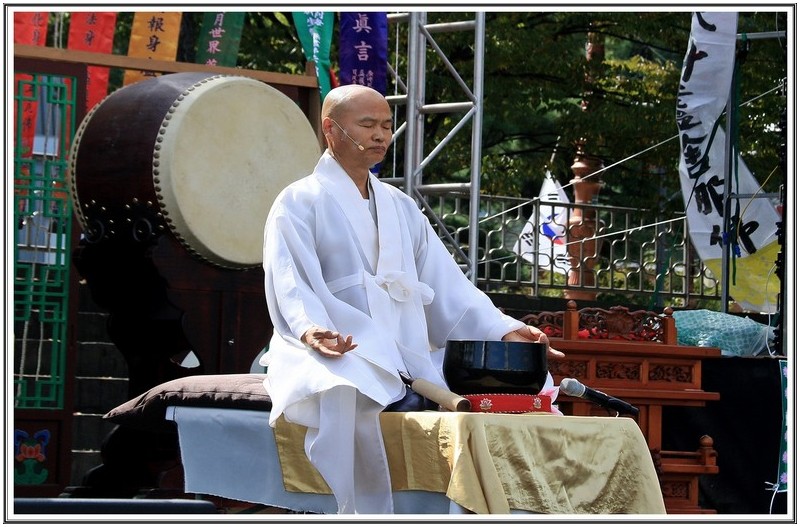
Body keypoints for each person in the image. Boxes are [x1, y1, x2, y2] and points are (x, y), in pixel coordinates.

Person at [260, 84, 563, 514]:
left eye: (386, 125)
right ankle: (356, 507)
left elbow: (447, 285)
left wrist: (504, 329)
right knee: (348, 386)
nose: (381, 135)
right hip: (338, 342)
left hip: (407, 348)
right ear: (330, 129)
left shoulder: (400, 206)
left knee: (512, 385)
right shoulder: (298, 201)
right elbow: (289, 280)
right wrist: (310, 329)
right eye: (367, 125)